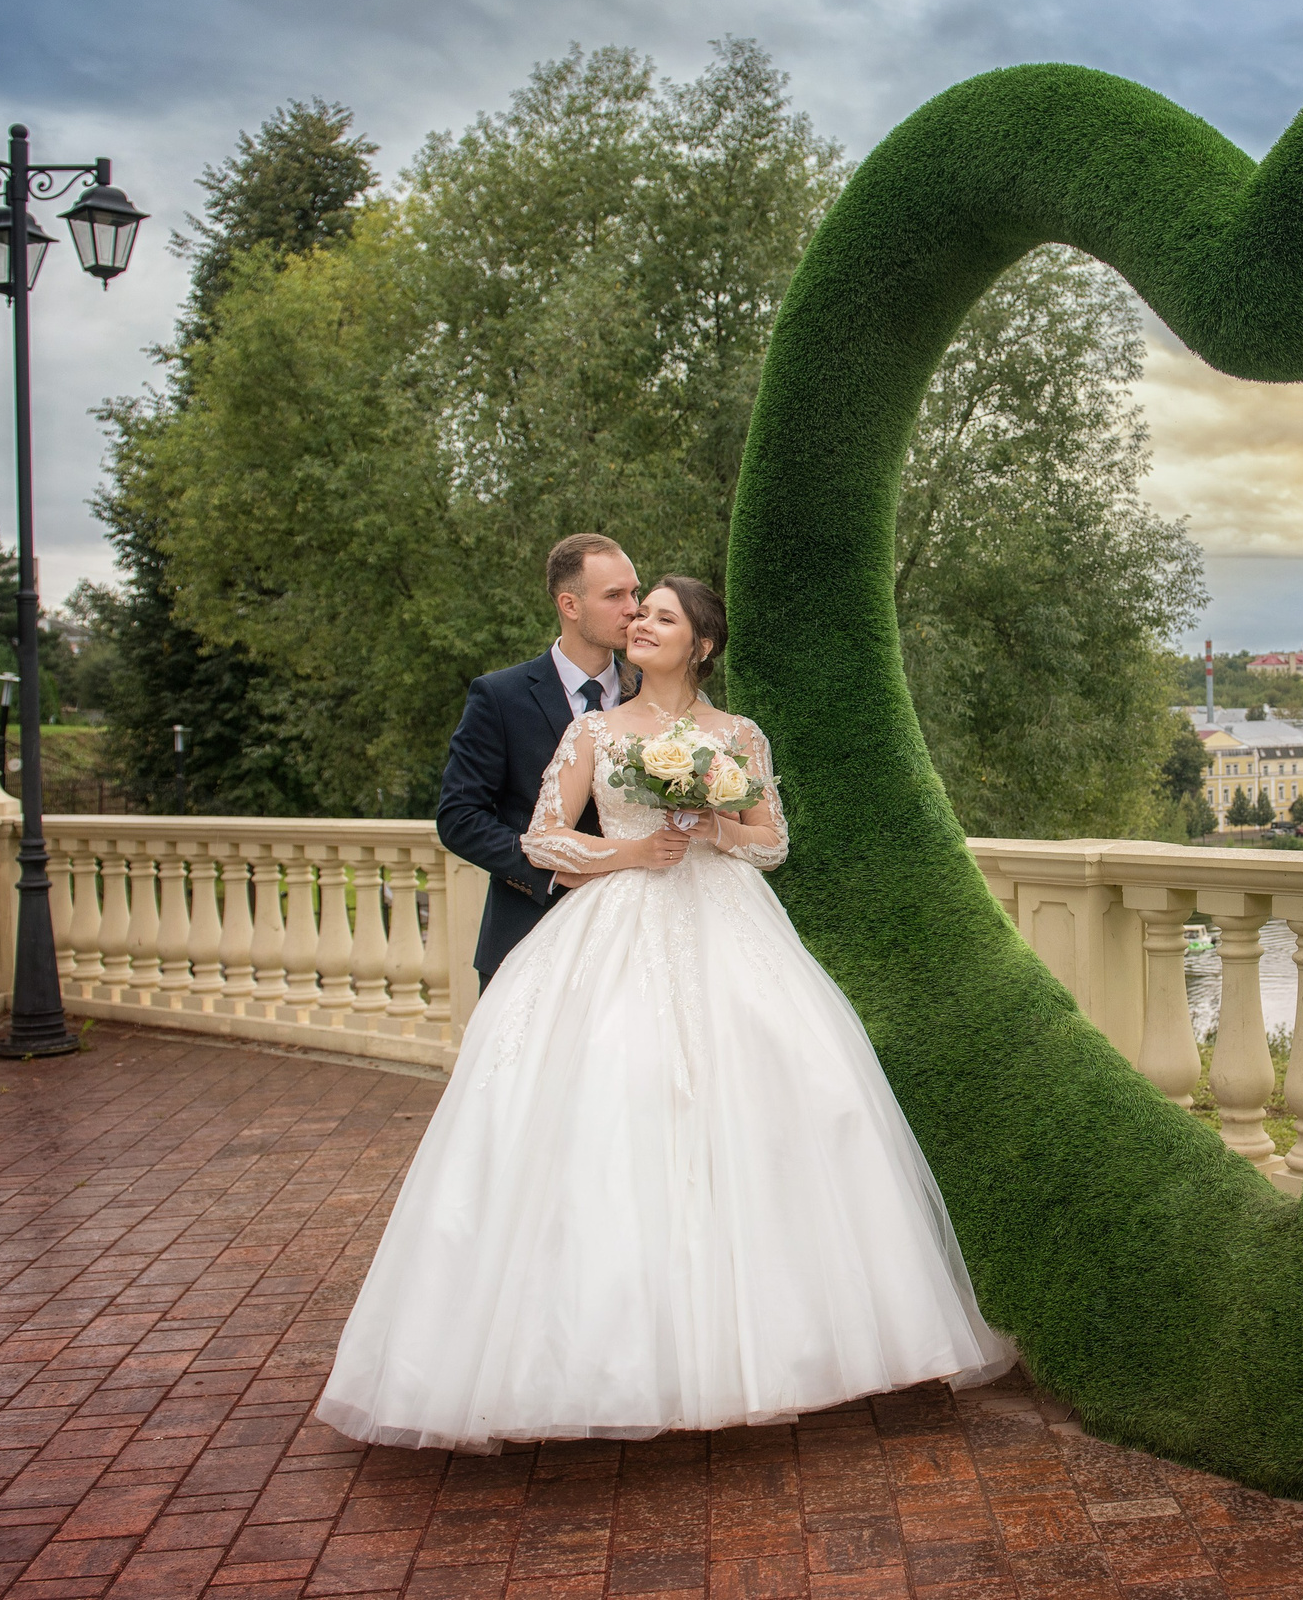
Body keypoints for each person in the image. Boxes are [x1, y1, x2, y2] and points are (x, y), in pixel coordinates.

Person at [317, 575, 1010, 1450]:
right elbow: (541, 836)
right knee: (618, 1106)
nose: (641, 623)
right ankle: (607, 1360)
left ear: (703, 642)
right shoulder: (595, 731)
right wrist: (630, 850)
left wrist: (716, 828)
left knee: (783, 1105)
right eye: (637, 613)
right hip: (617, 924)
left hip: (730, 926)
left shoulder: (738, 736)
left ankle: (787, 1345)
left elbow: (772, 840)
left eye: (662, 616)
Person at [437, 534, 642, 990]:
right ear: (570, 604)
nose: (633, 609)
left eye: (634, 592)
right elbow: (459, 818)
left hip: (636, 943)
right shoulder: (499, 696)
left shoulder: (654, 693)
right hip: (527, 935)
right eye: (614, 596)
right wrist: (550, 870)